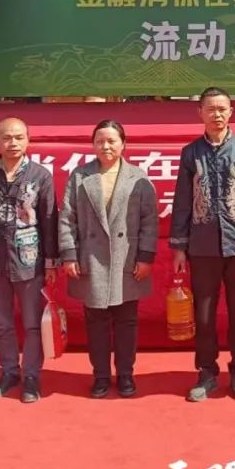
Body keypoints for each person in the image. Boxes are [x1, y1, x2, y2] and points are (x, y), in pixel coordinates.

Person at [171, 87, 235, 403]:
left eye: (222, 109)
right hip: (202, 248)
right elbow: (182, 201)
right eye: (210, 109)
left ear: (231, 112)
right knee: (203, 315)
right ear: (200, 113)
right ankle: (206, 373)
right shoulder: (191, 153)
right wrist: (179, 247)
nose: (216, 114)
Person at [59, 120, 158, 399]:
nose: (106, 146)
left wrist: (146, 257)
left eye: (112, 141)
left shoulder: (138, 177)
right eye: (100, 141)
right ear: (93, 145)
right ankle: (100, 376)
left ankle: (126, 374)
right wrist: (69, 254)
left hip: (127, 258)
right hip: (91, 258)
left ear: (123, 144)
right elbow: (67, 218)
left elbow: (149, 221)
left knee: (127, 321)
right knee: (96, 322)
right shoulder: (80, 176)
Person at [0, 118, 58, 404]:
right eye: (7, 138)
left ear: (28, 139)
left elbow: (49, 219)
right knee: (3, 324)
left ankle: (31, 375)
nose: (13, 143)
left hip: (30, 260)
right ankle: (9, 372)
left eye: (19, 137)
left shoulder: (40, 176)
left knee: (33, 324)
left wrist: (51, 261)